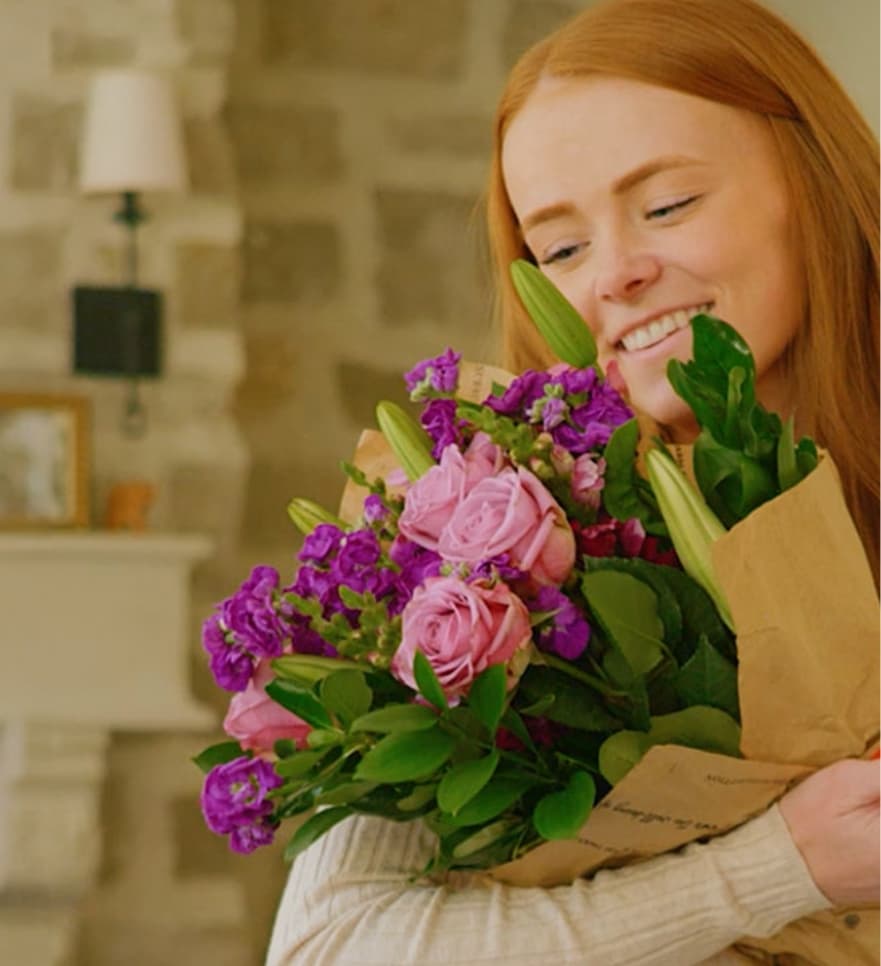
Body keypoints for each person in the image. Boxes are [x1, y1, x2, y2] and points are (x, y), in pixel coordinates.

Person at [265, 1, 879, 962]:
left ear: (816, 182)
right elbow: (331, 946)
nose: (614, 274)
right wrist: (777, 869)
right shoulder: (483, 542)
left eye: (667, 205)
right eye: (559, 247)